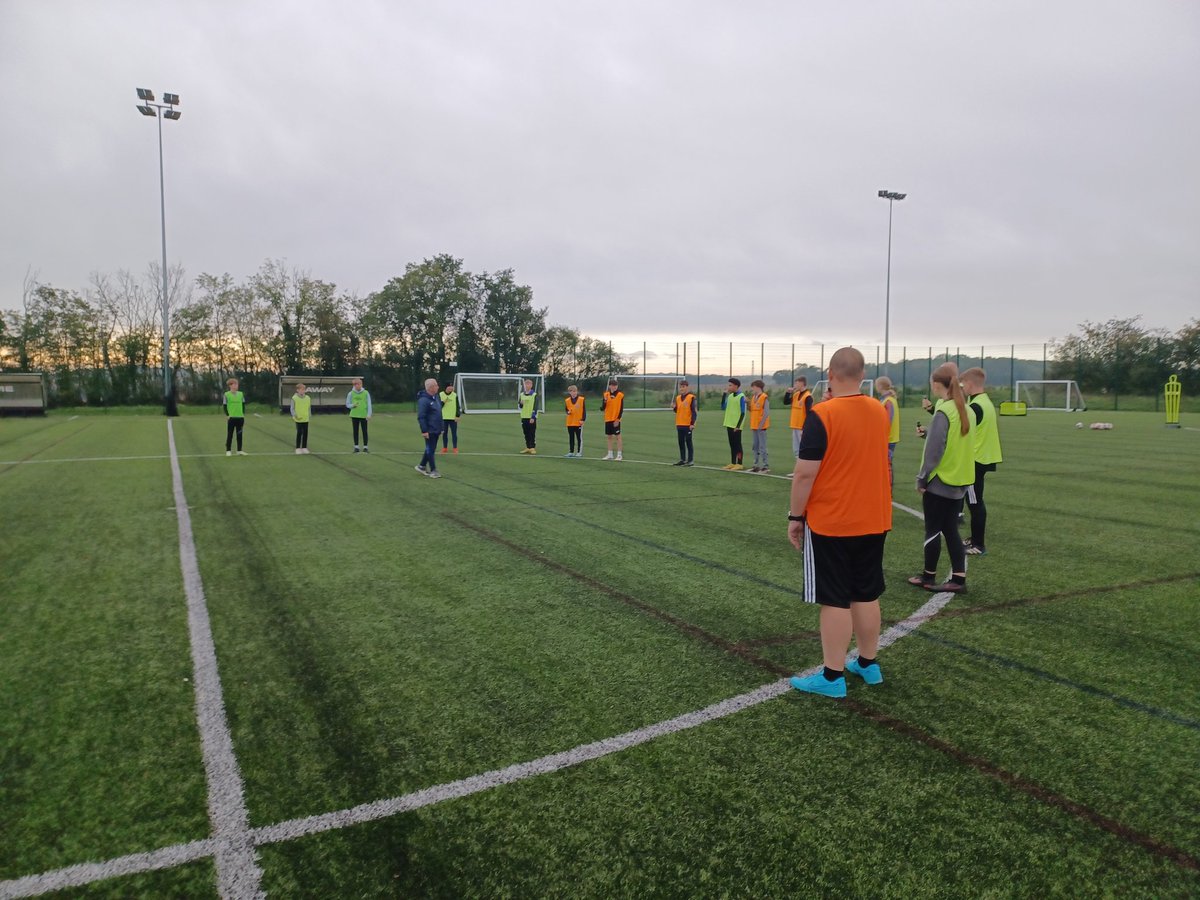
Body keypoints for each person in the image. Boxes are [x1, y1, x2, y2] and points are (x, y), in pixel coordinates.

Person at [787, 347, 892, 699]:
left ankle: (832, 678)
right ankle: (867, 662)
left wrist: (795, 516)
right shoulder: (880, 410)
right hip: (873, 516)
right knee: (866, 591)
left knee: (834, 599)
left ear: (830, 375)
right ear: (862, 375)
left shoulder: (822, 414)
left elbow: (804, 474)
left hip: (833, 519)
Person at [909, 363, 974, 593]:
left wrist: (922, 478)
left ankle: (928, 576)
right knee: (950, 530)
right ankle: (958, 578)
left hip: (941, 481)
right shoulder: (965, 409)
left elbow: (934, 451)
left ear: (936, 385)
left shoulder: (944, 411)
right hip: (960, 480)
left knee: (933, 530)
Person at [960, 367, 1003, 555]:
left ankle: (978, 544)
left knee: (975, 502)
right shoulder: (984, 402)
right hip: (983, 457)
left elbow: (962, 430)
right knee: (973, 500)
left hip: (975, 460)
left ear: (969, 384)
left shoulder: (976, 407)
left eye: (963, 384)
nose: (962, 388)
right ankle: (974, 538)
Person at [874, 375, 900, 491]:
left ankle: (887, 489)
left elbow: (887, 420)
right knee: (884, 464)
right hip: (888, 438)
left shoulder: (888, 401)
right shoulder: (888, 399)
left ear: (880, 386)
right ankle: (884, 487)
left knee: (887, 465)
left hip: (888, 439)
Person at [416, 378, 444, 478]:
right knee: (430, 449)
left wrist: (441, 427)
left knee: (431, 448)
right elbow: (421, 416)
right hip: (429, 429)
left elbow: (439, 413)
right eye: (436, 385)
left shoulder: (436, 397)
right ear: (431, 387)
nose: (438, 387)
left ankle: (422, 466)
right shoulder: (423, 400)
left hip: (436, 428)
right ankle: (433, 470)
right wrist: (424, 430)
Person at [782, 376, 813, 458]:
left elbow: (809, 413)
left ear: (802, 383)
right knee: (796, 450)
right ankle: (798, 466)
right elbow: (786, 402)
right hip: (794, 425)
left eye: (796, 383)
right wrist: (788, 393)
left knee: (803, 448)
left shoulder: (808, 396)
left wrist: (806, 427)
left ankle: (805, 467)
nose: (795, 385)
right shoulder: (796, 394)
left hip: (802, 427)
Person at [721, 378, 747, 470]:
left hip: (736, 425)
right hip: (729, 423)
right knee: (732, 444)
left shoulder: (741, 397)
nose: (729, 387)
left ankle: (740, 463)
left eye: (730, 385)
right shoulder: (730, 396)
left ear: (736, 386)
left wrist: (738, 426)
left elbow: (743, 412)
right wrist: (724, 395)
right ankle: (733, 462)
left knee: (737, 444)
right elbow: (723, 407)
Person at [671, 379, 697, 466]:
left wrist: (692, 423)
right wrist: (674, 407)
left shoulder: (691, 397)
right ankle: (682, 459)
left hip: (688, 424)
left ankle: (690, 460)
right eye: (681, 387)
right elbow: (677, 410)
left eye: (683, 387)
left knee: (688, 441)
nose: (682, 388)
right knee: (681, 442)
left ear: (687, 387)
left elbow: (694, 411)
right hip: (679, 423)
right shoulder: (678, 398)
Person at [748, 379, 771, 473]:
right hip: (754, 425)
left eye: (753, 387)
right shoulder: (754, 397)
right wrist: (747, 403)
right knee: (755, 446)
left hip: (761, 427)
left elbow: (766, 413)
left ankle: (765, 466)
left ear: (757, 387)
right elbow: (751, 410)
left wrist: (760, 425)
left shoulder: (764, 397)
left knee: (762, 447)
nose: (752, 389)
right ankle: (756, 465)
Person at [346, 377, 372, 453]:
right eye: (355, 384)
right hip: (354, 414)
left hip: (363, 414)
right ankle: (356, 447)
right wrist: (352, 405)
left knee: (364, 431)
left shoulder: (366, 393)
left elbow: (369, 404)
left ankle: (365, 447)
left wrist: (369, 414)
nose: (357, 386)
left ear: (361, 384)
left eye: (358, 384)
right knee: (355, 431)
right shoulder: (350, 393)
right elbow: (347, 404)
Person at [223, 377, 247, 456]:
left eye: (237, 384)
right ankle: (228, 450)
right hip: (232, 418)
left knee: (239, 435)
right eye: (235, 384)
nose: (236, 386)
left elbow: (243, 404)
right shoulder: (226, 394)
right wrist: (228, 415)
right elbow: (224, 406)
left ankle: (239, 450)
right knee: (230, 434)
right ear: (230, 385)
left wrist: (242, 414)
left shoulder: (241, 394)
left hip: (240, 418)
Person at [602, 378, 624, 460]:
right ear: (610, 386)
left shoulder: (620, 395)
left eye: (615, 386)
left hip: (616, 419)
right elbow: (602, 408)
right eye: (612, 385)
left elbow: (621, 409)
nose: (614, 387)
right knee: (609, 437)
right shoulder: (606, 395)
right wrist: (604, 402)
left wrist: (618, 419)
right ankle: (610, 454)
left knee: (618, 437)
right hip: (608, 418)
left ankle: (619, 455)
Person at [564, 384, 586, 457]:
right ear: (569, 392)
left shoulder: (581, 399)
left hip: (578, 422)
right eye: (572, 391)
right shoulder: (567, 400)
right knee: (571, 437)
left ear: (577, 391)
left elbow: (584, 411)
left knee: (579, 437)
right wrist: (568, 412)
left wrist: (583, 419)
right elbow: (566, 410)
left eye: (575, 391)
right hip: (570, 422)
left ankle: (579, 452)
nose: (573, 393)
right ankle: (571, 451)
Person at [518, 378, 539, 454]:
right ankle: (528, 447)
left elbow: (536, 406)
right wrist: (521, 403)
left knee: (532, 432)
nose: (527, 385)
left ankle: (532, 447)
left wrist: (533, 416)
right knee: (526, 432)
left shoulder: (534, 395)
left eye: (529, 384)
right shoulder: (521, 394)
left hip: (531, 417)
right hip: (524, 416)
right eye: (526, 384)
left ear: (531, 385)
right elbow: (520, 406)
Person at [439, 382, 461, 454]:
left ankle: (455, 448)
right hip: (444, 418)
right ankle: (445, 448)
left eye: (452, 386)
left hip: (453, 418)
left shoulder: (455, 395)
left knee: (454, 433)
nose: (451, 388)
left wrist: (457, 415)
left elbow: (458, 406)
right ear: (446, 387)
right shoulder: (441, 394)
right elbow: (438, 406)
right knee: (444, 433)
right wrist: (443, 402)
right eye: (449, 386)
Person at [290, 382, 311, 454]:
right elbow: (292, 408)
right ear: (297, 390)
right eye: (301, 389)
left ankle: (304, 447)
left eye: (304, 389)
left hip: (305, 418)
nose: (302, 391)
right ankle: (298, 448)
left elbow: (309, 407)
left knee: (305, 433)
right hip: (298, 419)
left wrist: (309, 415)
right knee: (299, 432)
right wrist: (294, 415)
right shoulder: (294, 398)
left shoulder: (308, 398)